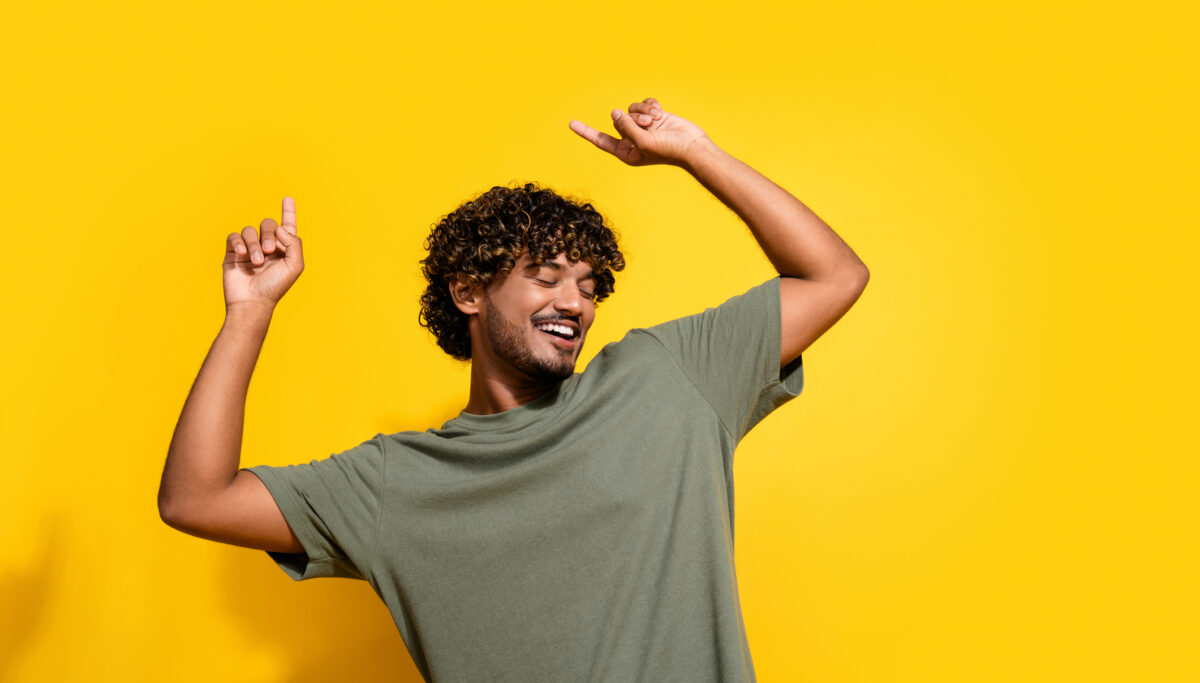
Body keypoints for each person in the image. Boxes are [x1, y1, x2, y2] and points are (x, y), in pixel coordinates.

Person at [159, 97, 869, 682]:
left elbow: (833, 275)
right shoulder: (395, 482)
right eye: (548, 274)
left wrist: (697, 153)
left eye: (590, 286)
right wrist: (249, 314)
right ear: (468, 291)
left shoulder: (665, 378)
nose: (576, 301)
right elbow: (196, 498)